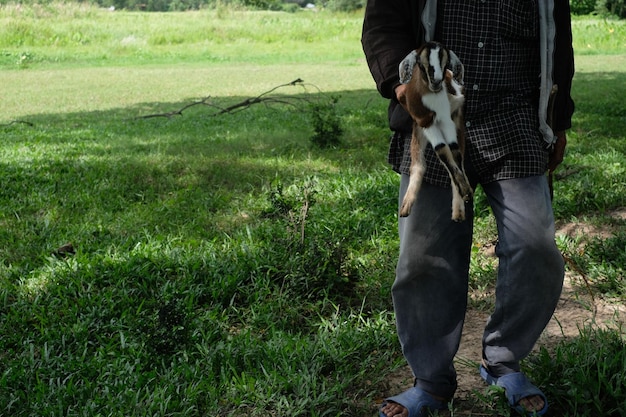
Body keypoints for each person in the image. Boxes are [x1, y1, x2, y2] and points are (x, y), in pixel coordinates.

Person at [361, 1, 575, 416]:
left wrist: (558, 119)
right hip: (434, 120)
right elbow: (382, 25)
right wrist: (402, 85)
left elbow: (557, 41)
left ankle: (503, 360)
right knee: (423, 259)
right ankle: (431, 382)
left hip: (515, 121)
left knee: (535, 247)